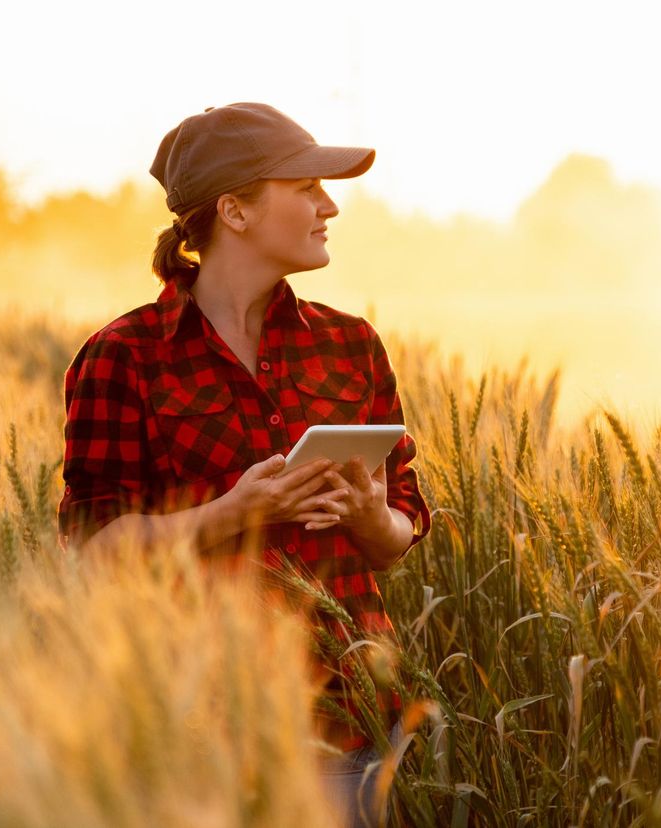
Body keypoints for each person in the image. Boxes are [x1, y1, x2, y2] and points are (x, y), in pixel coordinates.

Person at [57, 102, 430, 826]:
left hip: (348, 719)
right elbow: (94, 548)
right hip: (199, 730)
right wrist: (235, 513)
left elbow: (399, 535)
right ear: (235, 210)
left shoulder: (352, 346)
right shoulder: (125, 357)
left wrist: (367, 517)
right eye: (307, 187)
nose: (331, 206)